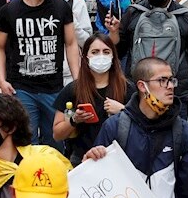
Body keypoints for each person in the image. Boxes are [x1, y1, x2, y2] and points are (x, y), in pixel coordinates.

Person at [84, 56, 188, 198]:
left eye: (171, 80)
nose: (170, 86)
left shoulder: (182, 131)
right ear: (142, 86)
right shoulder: (115, 127)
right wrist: (89, 161)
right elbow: (95, 186)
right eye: (162, 80)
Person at [0, 0, 79, 146]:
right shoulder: (9, 11)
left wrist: (77, 79)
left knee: (55, 142)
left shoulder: (61, 7)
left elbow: (71, 43)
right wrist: (1, 80)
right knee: (25, 142)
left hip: (54, 87)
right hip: (21, 87)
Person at [107, 0, 188, 120]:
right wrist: (114, 32)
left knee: (175, 133)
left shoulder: (185, 17)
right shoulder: (134, 12)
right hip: (137, 91)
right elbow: (118, 52)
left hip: (174, 94)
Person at [52, 33, 134, 164]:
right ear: (85, 57)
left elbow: (144, 126)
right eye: (95, 52)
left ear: (113, 56)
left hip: (119, 158)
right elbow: (57, 134)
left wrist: (123, 111)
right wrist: (74, 120)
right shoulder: (73, 90)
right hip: (82, 159)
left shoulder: (127, 88)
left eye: (106, 52)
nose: (101, 56)